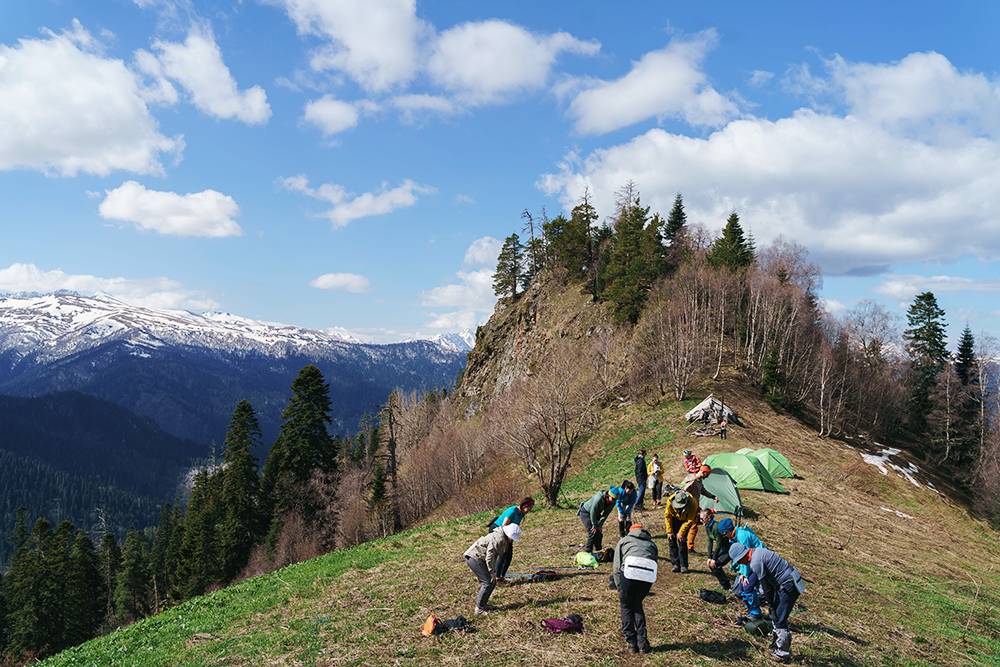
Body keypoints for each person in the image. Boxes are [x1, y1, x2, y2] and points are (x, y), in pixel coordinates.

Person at [729, 543, 805, 663]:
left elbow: (766, 587)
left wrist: (770, 603)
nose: (741, 563)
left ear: (743, 556)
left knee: (779, 618)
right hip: (786, 582)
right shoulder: (758, 552)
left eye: (739, 560)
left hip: (789, 584)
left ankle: (782, 653)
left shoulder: (755, 562)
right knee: (776, 616)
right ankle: (776, 644)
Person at [612, 523, 658, 654]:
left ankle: (631, 643)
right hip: (647, 577)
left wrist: (619, 585)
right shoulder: (652, 544)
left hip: (629, 574)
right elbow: (654, 563)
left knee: (626, 606)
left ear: (630, 531)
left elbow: (616, 566)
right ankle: (642, 643)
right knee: (637, 604)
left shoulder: (624, 541)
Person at [463, 523, 522, 615]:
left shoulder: (502, 537)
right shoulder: (498, 539)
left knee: (492, 582)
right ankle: (479, 610)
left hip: (479, 558)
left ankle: (483, 605)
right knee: (487, 583)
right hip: (474, 557)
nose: (512, 541)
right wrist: (492, 572)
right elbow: (489, 557)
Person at [714, 518, 766, 618]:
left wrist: (744, 574)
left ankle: (755, 612)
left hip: (759, 562)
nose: (724, 536)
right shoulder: (734, 537)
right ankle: (751, 607)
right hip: (751, 562)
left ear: (728, 531)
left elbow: (744, 558)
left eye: (724, 534)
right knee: (739, 590)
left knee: (747, 586)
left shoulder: (742, 536)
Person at [486, 497, 535, 579]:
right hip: (498, 530)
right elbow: (504, 526)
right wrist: (507, 540)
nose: (530, 510)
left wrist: (511, 539)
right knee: (503, 553)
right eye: (529, 507)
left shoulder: (521, 513)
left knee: (509, 555)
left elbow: (514, 527)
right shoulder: (512, 511)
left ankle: (502, 576)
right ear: (524, 506)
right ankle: (497, 577)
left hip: (508, 533)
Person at [682, 465, 718, 553]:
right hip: (689, 506)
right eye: (708, 474)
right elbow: (683, 489)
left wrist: (712, 496)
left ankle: (685, 543)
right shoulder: (692, 479)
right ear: (704, 472)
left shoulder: (699, 481)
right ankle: (689, 547)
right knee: (693, 525)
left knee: (701, 520)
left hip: (696, 506)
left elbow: (703, 490)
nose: (708, 476)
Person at [663, 490, 698, 573]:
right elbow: (667, 516)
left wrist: (681, 532)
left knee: (682, 541)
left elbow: (690, 520)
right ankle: (675, 564)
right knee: (671, 540)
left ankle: (683, 565)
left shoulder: (693, 503)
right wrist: (669, 531)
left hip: (685, 521)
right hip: (673, 519)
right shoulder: (670, 501)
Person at [702, 509, 731, 590]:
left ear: (708, 518)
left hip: (728, 548)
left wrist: (714, 559)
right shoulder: (707, 526)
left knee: (716, 564)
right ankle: (724, 583)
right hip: (722, 548)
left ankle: (726, 586)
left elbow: (718, 545)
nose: (701, 521)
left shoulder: (715, 527)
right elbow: (710, 541)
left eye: (702, 519)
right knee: (711, 564)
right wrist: (709, 557)